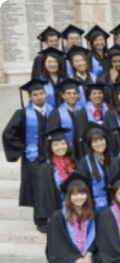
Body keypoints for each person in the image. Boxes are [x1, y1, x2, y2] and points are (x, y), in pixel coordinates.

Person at [4, 80, 55, 217]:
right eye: (35, 94)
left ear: (45, 94)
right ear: (30, 97)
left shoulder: (54, 112)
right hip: (33, 158)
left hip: (52, 156)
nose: (39, 97)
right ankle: (40, 219)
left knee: (52, 186)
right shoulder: (22, 114)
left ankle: (52, 216)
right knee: (36, 188)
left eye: (41, 93)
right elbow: (8, 134)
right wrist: (23, 147)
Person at [35, 128, 77, 230]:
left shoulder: (74, 163)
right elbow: (43, 195)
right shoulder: (47, 167)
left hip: (75, 208)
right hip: (57, 210)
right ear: (50, 147)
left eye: (63, 144)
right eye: (56, 145)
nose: (60, 147)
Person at [46, 79, 89, 159]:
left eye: (74, 93)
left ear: (79, 95)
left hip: (83, 152)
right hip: (65, 154)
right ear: (63, 96)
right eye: (68, 93)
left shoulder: (84, 112)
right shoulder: (56, 114)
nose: (72, 96)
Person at [76, 124, 112, 214]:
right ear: (90, 145)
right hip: (93, 208)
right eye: (95, 141)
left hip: (112, 208)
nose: (99, 144)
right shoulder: (84, 163)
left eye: (101, 140)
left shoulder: (113, 160)